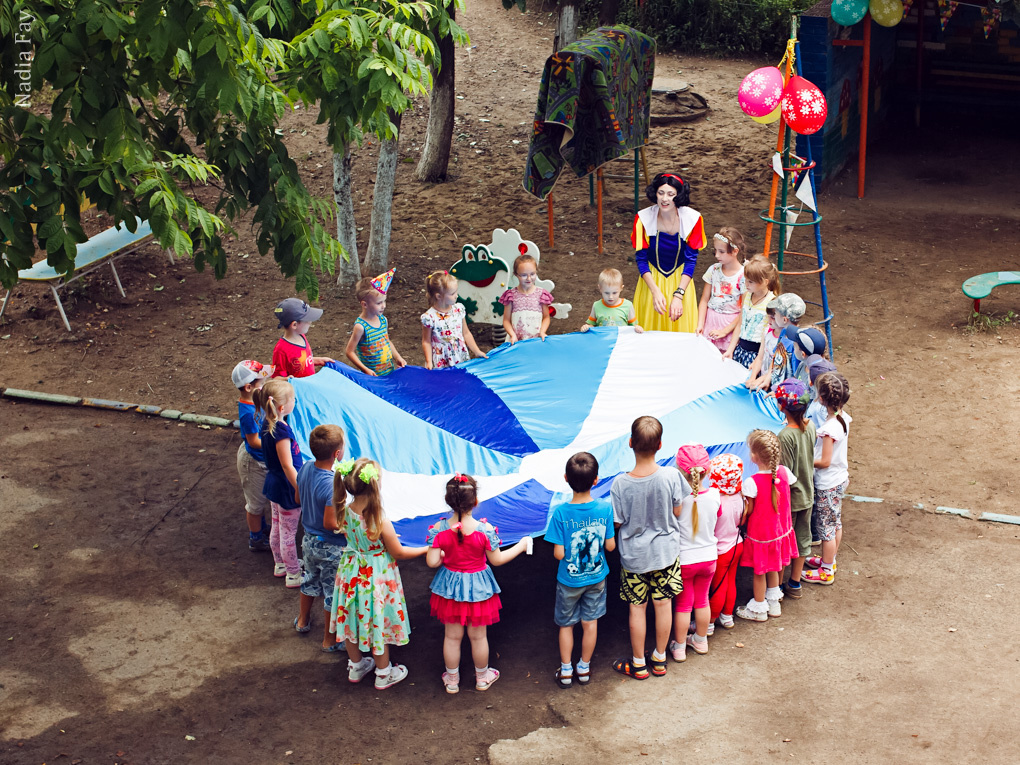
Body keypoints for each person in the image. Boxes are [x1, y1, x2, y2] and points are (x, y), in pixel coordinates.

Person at [426, 474, 530, 693]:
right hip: (479, 588)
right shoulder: (485, 530)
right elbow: (497, 560)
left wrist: (447, 554)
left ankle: (452, 680)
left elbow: (432, 561)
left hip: (450, 588)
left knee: (452, 637)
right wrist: (521, 546)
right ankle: (482, 678)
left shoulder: (440, 528)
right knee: (478, 636)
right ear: (475, 501)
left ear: (448, 501)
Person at [330, 458, 428, 690]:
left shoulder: (343, 510)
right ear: (377, 485)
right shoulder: (380, 520)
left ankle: (356, 666)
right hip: (376, 577)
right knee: (378, 619)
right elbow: (399, 553)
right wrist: (427, 548)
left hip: (351, 573)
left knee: (351, 617)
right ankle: (384, 673)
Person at [610, 416, 689, 679]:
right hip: (666, 554)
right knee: (664, 605)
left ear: (630, 443)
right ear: (661, 445)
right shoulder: (672, 476)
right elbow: (678, 510)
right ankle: (658, 658)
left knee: (637, 608)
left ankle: (638, 663)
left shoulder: (620, 484)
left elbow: (618, 522)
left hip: (634, 558)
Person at [545, 452, 616, 688]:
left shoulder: (561, 513)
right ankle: (583, 668)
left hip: (569, 581)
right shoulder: (605, 509)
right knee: (590, 623)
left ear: (565, 478)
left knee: (566, 624)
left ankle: (566, 670)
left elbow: (558, 554)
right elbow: (610, 546)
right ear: (596, 480)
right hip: (596, 578)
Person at [735, 429, 799, 622]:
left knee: (759, 572)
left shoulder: (751, 482)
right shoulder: (785, 473)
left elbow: (749, 511)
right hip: (781, 532)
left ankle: (759, 609)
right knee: (774, 567)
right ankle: (774, 604)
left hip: (762, 536)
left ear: (754, 457)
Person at [293, 424, 347, 652]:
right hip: (330, 547)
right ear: (337, 454)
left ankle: (302, 621)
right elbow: (330, 523)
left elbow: (298, 498)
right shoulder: (332, 483)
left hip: (308, 540)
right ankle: (329, 640)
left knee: (309, 580)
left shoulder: (305, 467)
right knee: (331, 593)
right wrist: (351, 527)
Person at [631, 173, 707, 333]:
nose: (664, 199)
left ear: (678, 196)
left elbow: (691, 260)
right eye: (661, 193)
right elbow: (641, 259)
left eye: (670, 194)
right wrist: (654, 291)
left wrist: (679, 295)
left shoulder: (693, 219)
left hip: (680, 281)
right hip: (651, 281)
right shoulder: (643, 218)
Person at [669, 445, 719, 662]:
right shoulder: (715, 496)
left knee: (683, 604)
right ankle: (700, 640)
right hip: (709, 557)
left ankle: (679, 647)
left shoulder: (678, 502)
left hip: (685, 559)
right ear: (706, 471)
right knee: (702, 600)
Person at [253, 379, 303, 588]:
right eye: (293, 399)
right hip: (286, 488)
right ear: (283, 407)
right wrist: (300, 488)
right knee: (288, 532)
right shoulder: (281, 431)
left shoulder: (267, 423)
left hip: (274, 484)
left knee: (277, 526)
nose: (295, 401)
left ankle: (280, 564)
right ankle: (293, 573)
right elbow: (287, 465)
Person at [803, 372, 852, 586]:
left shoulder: (829, 429)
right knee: (835, 523)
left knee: (826, 529)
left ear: (822, 399)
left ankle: (826, 571)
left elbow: (824, 461)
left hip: (827, 483)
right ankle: (829, 561)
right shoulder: (844, 418)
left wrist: (805, 459)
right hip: (839, 479)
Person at [774, 379, 817, 600]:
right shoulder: (811, 427)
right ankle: (795, 583)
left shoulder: (785, 436)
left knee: (784, 542)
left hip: (791, 499)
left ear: (782, 405)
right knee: (802, 539)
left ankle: (779, 585)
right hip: (808, 494)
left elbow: (785, 473)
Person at [232, 359, 273, 552]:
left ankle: (262, 529)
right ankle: (255, 538)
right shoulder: (247, 412)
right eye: (261, 381)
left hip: (262, 457)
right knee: (255, 503)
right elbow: (253, 441)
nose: (264, 383)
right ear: (249, 387)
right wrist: (274, 442)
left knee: (262, 496)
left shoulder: (257, 400)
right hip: (253, 461)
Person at [706, 453, 744, 631]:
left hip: (721, 550)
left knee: (718, 586)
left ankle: (710, 623)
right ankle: (727, 616)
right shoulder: (741, 497)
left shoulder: (716, 501)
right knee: (730, 581)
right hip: (737, 544)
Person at [420, 270, 488, 369]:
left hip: (459, 355)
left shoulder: (459, 309)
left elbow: (466, 333)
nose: (456, 295)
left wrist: (476, 351)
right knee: (443, 382)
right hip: (441, 360)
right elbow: (426, 341)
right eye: (452, 294)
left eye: (456, 292)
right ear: (439, 296)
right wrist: (429, 361)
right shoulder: (429, 317)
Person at [345, 269, 406, 376]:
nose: (384, 305)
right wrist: (365, 369)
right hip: (373, 377)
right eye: (379, 303)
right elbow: (349, 352)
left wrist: (397, 357)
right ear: (364, 304)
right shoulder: (361, 327)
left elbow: (386, 341)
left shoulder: (383, 320)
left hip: (389, 372)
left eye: (384, 301)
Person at [697, 228, 745, 352]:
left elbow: (744, 310)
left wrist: (725, 331)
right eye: (715, 251)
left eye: (721, 251)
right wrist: (700, 324)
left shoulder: (744, 276)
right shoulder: (713, 270)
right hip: (710, 320)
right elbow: (704, 300)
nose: (717, 255)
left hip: (730, 324)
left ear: (735, 251)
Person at [726, 257, 780, 368]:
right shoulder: (746, 295)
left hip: (757, 354)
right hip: (740, 350)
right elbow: (740, 324)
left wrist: (759, 359)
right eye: (745, 280)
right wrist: (730, 349)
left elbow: (772, 332)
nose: (746, 284)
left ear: (765, 282)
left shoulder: (771, 301)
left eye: (750, 281)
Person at [746, 293, 804, 391]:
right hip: (773, 387)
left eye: (775, 314)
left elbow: (795, 376)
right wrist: (766, 379)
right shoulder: (784, 333)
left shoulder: (795, 344)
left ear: (784, 319)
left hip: (784, 394)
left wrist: (780, 393)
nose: (772, 316)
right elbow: (775, 361)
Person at [272, 298, 334, 378]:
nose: (310, 322)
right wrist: (286, 380)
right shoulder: (281, 350)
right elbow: (277, 377)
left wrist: (319, 360)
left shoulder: (301, 335)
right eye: (307, 320)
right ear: (294, 325)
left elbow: (301, 361)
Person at [499, 253, 553, 343]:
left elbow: (546, 317)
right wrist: (512, 335)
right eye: (524, 275)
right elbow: (506, 320)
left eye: (532, 274)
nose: (529, 278)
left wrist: (542, 332)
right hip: (516, 341)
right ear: (516, 274)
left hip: (535, 340)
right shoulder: (511, 295)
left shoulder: (541, 294)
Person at [580, 268, 643, 333]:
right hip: (604, 340)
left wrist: (637, 328)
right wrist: (587, 327)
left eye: (614, 293)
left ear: (621, 288)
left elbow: (633, 326)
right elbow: (592, 325)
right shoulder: (596, 306)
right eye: (606, 293)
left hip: (621, 341)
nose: (610, 297)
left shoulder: (627, 305)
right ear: (600, 288)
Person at [785, 326, 829, 392]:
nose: (793, 348)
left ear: (803, 354)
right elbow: (794, 381)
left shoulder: (818, 378)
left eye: (794, 346)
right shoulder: (803, 364)